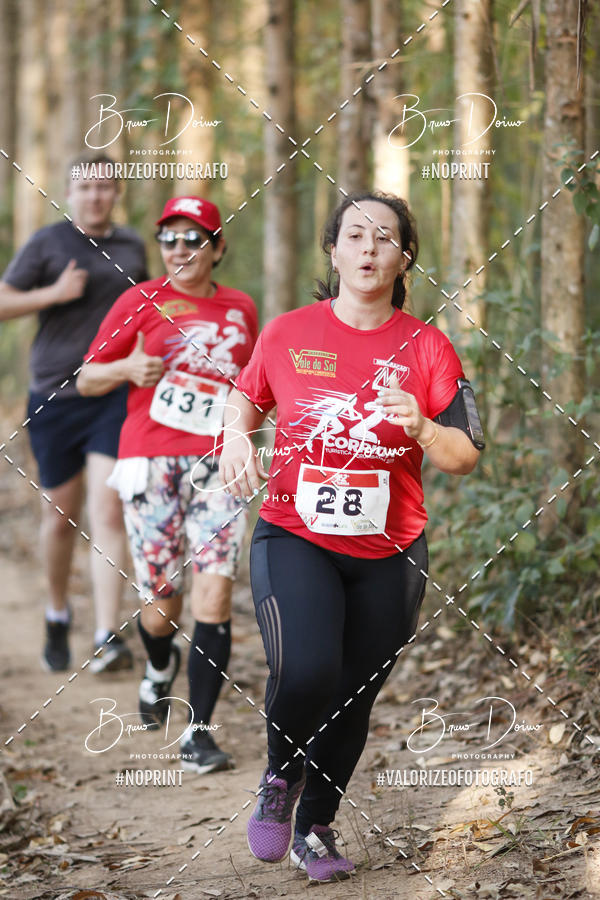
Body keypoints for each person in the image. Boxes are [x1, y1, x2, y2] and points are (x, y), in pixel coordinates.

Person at [218, 192, 483, 882]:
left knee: (353, 695)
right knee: (305, 672)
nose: (369, 248)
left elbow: (466, 453)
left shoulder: (428, 347)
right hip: (294, 534)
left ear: (404, 259)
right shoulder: (287, 333)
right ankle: (281, 775)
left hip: (390, 551)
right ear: (334, 252)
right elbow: (245, 394)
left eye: (385, 237)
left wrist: (424, 427)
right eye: (355, 235)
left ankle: (317, 829)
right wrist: (233, 438)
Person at [76, 195, 258, 774]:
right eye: (170, 239)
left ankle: (198, 733)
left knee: (216, 592)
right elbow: (85, 378)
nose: (180, 248)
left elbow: (250, 387)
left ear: (218, 247)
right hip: (150, 461)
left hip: (215, 465)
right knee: (161, 607)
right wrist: (127, 369)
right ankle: (159, 665)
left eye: (194, 237)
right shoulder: (140, 300)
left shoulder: (241, 309)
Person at [0, 152, 148, 673]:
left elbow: (146, 310)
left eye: (104, 188)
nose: (95, 196)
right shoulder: (48, 243)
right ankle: (57, 612)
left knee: (110, 510)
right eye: (85, 188)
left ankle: (108, 632)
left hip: (112, 394)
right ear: (70, 192)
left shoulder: (131, 247)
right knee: (60, 517)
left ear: (116, 193)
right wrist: (54, 293)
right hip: (54, 396)